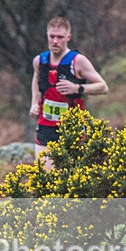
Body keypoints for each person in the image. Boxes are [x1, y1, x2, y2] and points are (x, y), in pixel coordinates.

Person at [30, 16, 108, 169]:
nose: (55, 41)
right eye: (52, 36)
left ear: (68, 38)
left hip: (72, 127)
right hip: (46, 126)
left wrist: (78, 88)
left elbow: (103, 87)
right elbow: (36, 81)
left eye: (60, 37)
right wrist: (34, 103)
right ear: (47, 35)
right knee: (45, 176)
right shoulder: (40, 61)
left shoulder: (78, 61)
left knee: (71, 175)